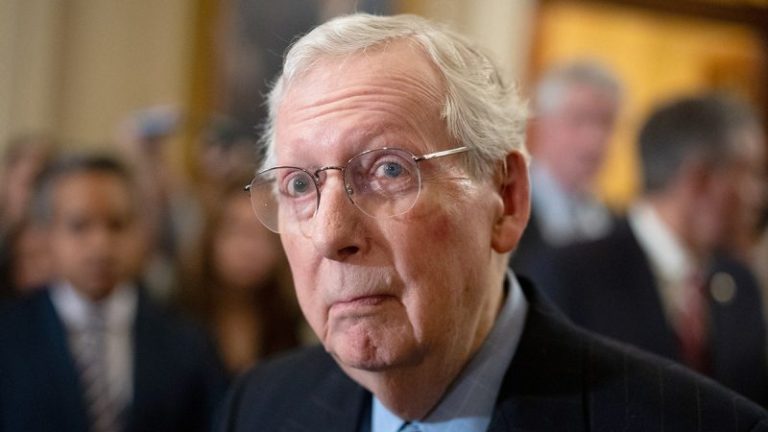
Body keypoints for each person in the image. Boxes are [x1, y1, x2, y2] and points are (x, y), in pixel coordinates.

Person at [217, 13, 768, 431]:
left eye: (389, 170)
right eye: (299, 185)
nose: (331, 235)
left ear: (506, 198)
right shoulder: (258, 406)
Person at [528, 94, 768, 406]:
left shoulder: (739, 282)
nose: (759, 196)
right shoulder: (570, 273)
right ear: (699, 180)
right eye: (750, 174)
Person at [0, 153, 228, 432]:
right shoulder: (9, 335)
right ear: (47, 234)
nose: (100, 245)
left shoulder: (186, 340)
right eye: (79, 226)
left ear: (143, 231)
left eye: (117, 225)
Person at [178, 180, 303, 374]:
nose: (248, 248)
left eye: (264, 234)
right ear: (210, 235)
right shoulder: (178, 315)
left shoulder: (294, 321)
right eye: (235, 230)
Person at [511, 61, 621, 274]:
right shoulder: (505, 208)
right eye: (579, 119)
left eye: (605, 122)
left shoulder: (613, 224)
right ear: (541, 124)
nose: (594, 139)